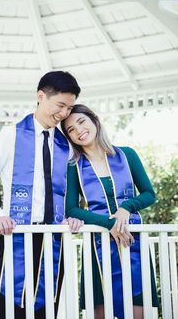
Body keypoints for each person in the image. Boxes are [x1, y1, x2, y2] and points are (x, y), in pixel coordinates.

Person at [0, 71, 84, 319]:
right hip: (17, 236)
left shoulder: (66, 144)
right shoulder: (11, 135)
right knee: (10, 309)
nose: (65, 114)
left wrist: (72, 216)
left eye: (69, 107)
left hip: (54, 238)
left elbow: (71, 191)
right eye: (61, 105)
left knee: (47, 310)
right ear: (41, 96)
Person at [61, 104, 159, 319]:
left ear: (94, 120)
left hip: (133, 243)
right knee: (101, 311)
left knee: (137, 311)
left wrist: (126, 208)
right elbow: (71, 209)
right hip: (97, 248)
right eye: (70, 129)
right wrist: (109, 223)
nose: (78, 131)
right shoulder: (74, 166)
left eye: (81, 122)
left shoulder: (127, 155)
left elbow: (149, 194)